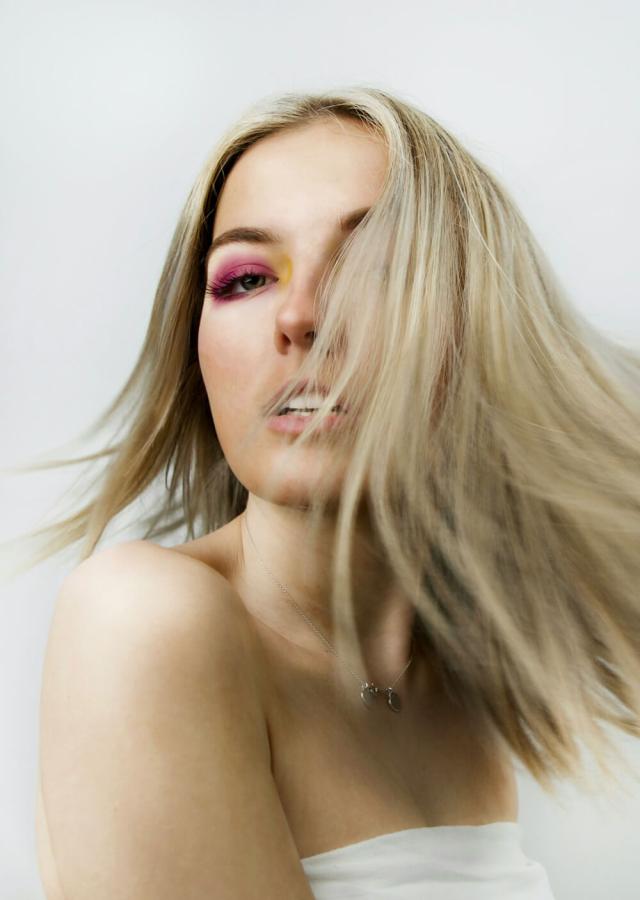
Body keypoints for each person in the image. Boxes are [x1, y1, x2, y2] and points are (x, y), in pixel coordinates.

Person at [11, 86, 639, 898]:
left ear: (477, 325)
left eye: (376, 268)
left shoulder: (458, 685)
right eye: (246, 279)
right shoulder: (142, 618)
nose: (302, 316)